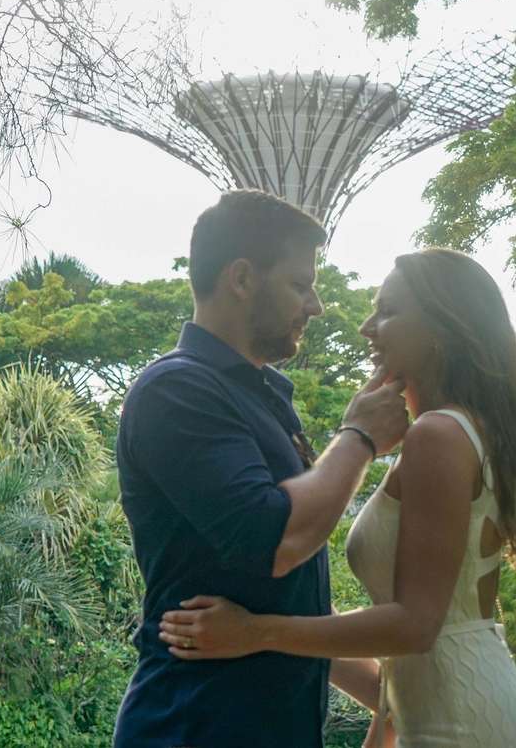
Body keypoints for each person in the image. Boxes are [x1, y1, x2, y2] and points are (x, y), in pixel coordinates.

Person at [159, 247, 516, 748]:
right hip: (456, 709)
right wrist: (382, 731)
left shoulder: (438, 435)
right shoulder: (458, 433)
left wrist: (255, 631)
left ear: (441, 329)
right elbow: (425, 626)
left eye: (388, 311)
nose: (368, 326)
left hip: (464, 721)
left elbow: (415, 625)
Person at [113, 190, 413, 748]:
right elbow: (275, 540)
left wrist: (399, 696)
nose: (317, 305)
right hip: (194, 727)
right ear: (243, 278)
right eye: (300, 285)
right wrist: (360, 436)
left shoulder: (266, 394)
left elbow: (287, 601)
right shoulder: (176, 390)